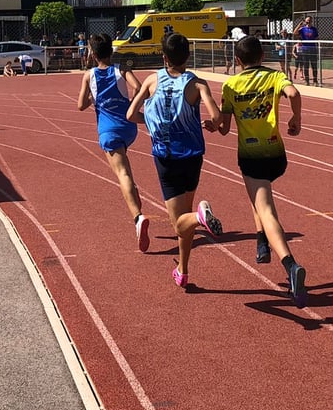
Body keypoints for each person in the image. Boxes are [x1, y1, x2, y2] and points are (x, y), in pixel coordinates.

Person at [126, 33, 223, 289]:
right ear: (188, 56)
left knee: (179, 221)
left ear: (163, 57)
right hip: (192, 156)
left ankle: (202, 217)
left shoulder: (151, 80)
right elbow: (217, 117)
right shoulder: (198, 84)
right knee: (186, 216)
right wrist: (212, 125)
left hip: (166, 157)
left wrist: (153, 122)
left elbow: (130, 114)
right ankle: (183, 269)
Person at [218, 36, 308, 307]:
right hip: (276, 154)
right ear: (262, 55)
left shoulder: (231, 85)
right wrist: (296, 118)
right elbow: (294, 93)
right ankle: (260, 241)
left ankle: (290, 264)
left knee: (265, 207)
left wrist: (214, 127)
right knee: (259, 196)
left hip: (251, 156)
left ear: (237, 60)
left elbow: (223, 128)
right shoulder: (275, 77)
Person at [77, 34, 148, 250]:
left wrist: (95, 98)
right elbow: (139, 87)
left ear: (93, 54)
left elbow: (80, 105)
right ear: (111, 51)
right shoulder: (121, 70)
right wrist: (130, 104)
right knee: (126, 170)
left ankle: (138, 217)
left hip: (108, 131)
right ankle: (135, 200)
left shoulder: (89, 76)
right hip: (129, 127)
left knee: (123, 174)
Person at [295, 15, 319, 86]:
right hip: (305, 49)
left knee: (314, 65)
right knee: (306, 66)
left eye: (309, 21)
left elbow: (317, 38)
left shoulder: (314, 29)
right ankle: (307, 81)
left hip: (313, 49)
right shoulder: (302, 29)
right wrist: (299, 25)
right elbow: (295, 32)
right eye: (307, 21)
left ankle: (315, 81)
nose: (308, 22)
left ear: (311, 21)